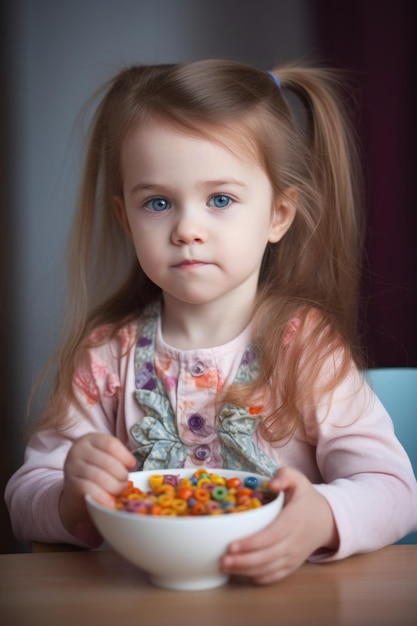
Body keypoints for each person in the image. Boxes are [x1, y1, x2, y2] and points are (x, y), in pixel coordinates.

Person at [5, 59, 417, 584]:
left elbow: (395, 488)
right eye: (158, 203)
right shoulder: (106, 358)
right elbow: (22, 497)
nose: (187, 228)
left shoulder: (305, 350)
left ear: (278, 215)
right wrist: (67, 495)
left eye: (219, 199)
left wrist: (324, 517)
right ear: (125, 219)